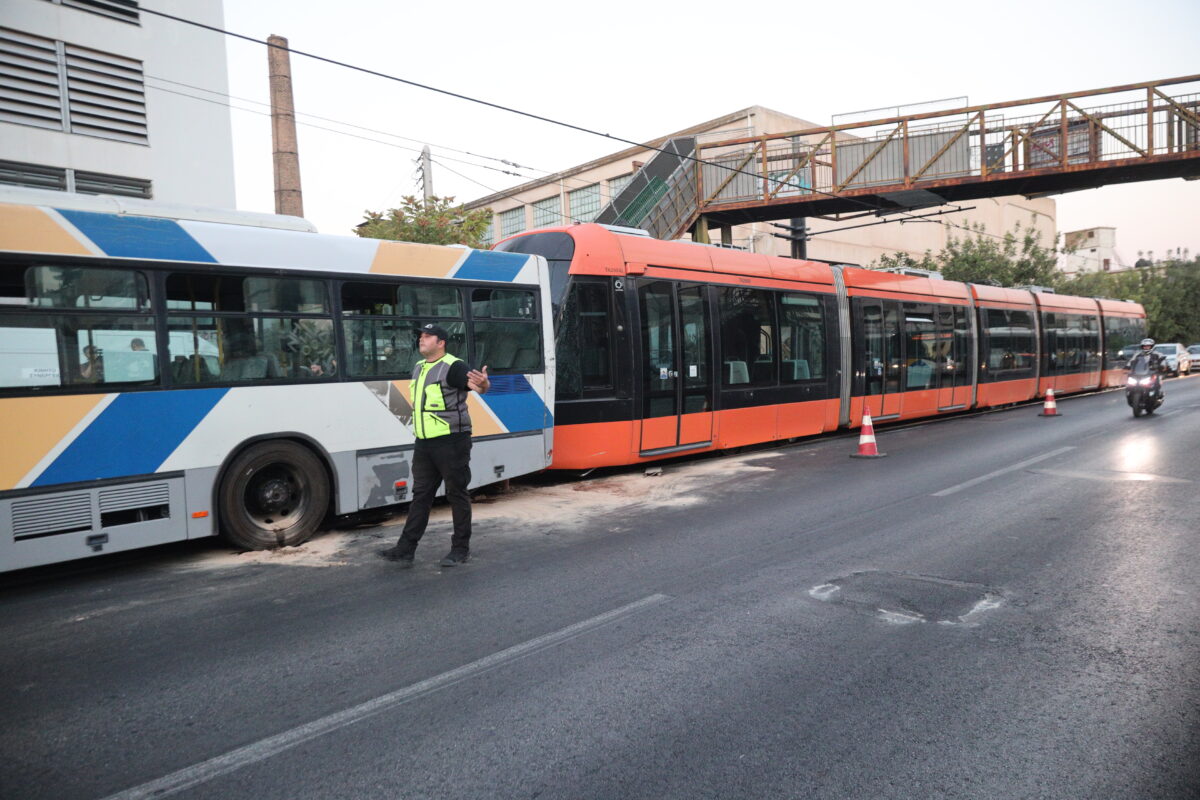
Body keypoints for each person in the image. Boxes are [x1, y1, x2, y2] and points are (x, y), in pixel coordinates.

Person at [381, 322, 490, 567]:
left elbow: (478, 387)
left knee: (457, 494)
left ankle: (460, 549)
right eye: (421, 336)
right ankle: (405, 549)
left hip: (452, 441)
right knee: (420, 496)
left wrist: (483, 384)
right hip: (424, 443)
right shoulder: (419, 367)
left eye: (428, 336)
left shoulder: (454, 366)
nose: (422, 339)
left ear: (441, 342)